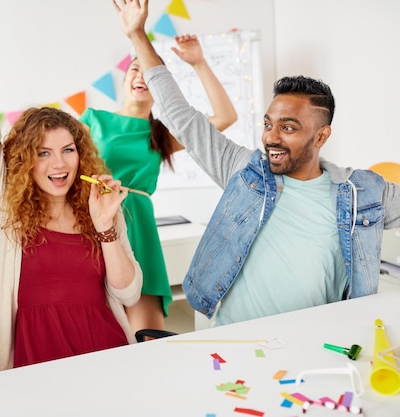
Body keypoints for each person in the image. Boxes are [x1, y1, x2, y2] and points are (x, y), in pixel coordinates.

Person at [112, 0, 400, 326]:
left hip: (316, 340)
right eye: (267, 124)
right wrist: (137, 34)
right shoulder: (245, 171)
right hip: (235, 339)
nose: (271, 137)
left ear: (321, 136)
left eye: (288, 127)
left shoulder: (362, 193)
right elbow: (181, 116)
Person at [0, 77, 142, 369]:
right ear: (25, 161)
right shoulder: (10, 216)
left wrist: (104, 227)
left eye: (68, 150)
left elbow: (130, 293)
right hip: (37, 365)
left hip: (106, 355)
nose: (59, 164)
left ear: (81, 155)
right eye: (43, 153)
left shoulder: (101, 210)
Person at [80, 34, 237, 332]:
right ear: (125, 79)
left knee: (146, 335)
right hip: (96, 222)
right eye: (134, 69)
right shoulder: (93, 119)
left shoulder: (164, 134)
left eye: (148, 71)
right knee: (98, 329)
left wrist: (199, 63)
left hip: (140, 227)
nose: (141, 76)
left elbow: (226, 116)